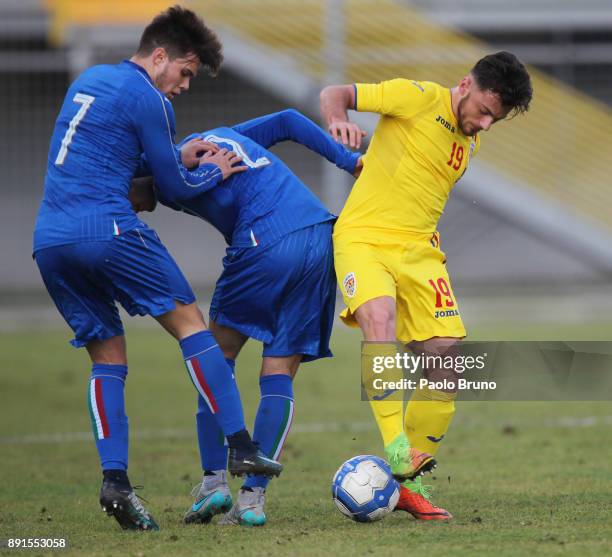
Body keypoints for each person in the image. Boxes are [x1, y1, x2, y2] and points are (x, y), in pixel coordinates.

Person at [32, 6, 281, 532]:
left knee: (107, 356)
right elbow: (172, 190)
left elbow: (112, 153)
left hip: (50, 239)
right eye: (186, 72)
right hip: (109, 230)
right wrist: (210, 169)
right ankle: (240, 448)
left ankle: (116, 483)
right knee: (192, 324)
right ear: (160, 55)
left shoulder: (91, 79)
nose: (185, 86)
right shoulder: (151, 97)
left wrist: (175, 154)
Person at [320, 51, 533, 520]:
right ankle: (396, 449)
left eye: (495, 119)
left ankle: (407, 484)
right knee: (380, 319)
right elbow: (334, 94)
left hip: (420, 253)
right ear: (465, 85)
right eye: (484, 111)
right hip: (365, 238)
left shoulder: (468, 143)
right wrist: (339, 121)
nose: (485, 125)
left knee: (448, 364)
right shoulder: (414, 97)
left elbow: (421, 191)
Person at [129, 108, 362, 526]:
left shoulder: (170, 177)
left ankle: (214, 484)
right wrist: (352, 161)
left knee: (211, 359)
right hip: (320, 237)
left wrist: (139, 169)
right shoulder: (216, 132)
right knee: (279, 373)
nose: (130, 209)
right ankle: (253, 501)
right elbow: (289, 119)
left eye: (121, 195)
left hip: (265, 243)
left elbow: (151, 164)